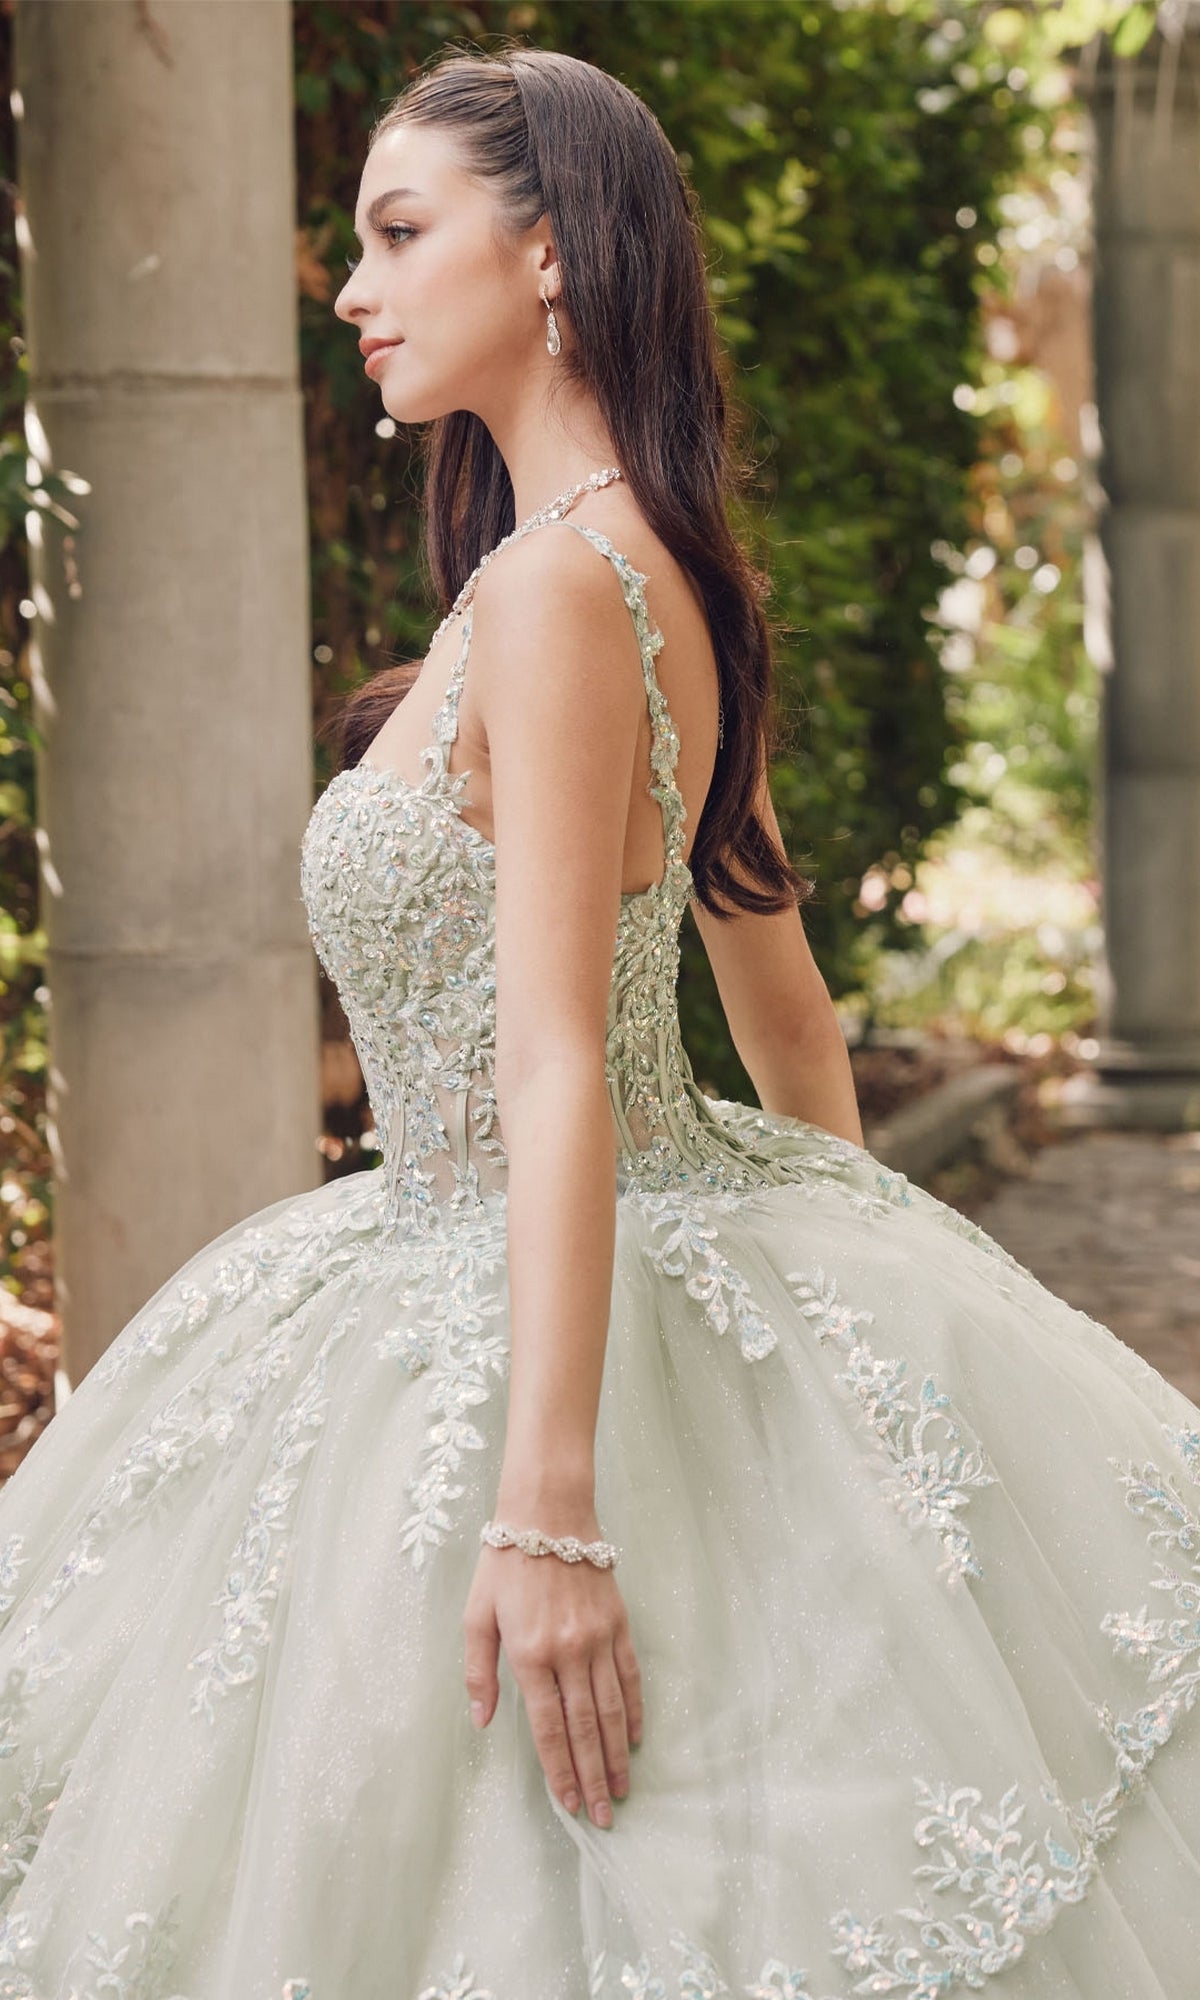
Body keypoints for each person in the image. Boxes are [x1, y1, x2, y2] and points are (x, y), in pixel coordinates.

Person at [0, 40, 1196, 2000]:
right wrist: (871, 1416)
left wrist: (549, 1509)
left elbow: (560, 1049)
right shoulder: (651, 562)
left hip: (501, 1296)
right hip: (569, 1254)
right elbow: (794, 1022)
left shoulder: (565, 586)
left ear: (551, 255)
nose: (358, 289)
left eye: (399, 233)